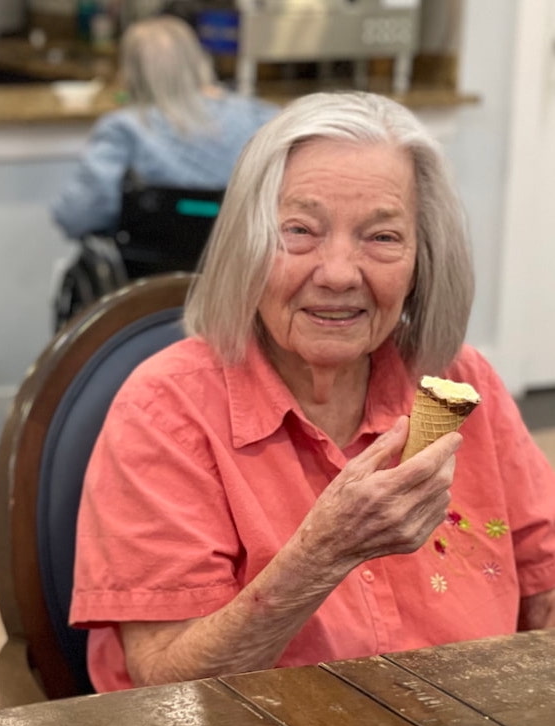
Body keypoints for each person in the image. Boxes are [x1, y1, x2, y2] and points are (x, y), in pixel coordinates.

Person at [70, 91, 555, 692]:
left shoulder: (458, 381)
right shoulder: (165, 410)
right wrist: (323, 554)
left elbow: (544, 581)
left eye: (381, 237)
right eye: (299, 231)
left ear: (422, 262)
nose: (338, 273)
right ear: (247, 246)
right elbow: (165, 683)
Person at [50, 15, 278, 240]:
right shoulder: (260, 117)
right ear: (198, 59)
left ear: (131, 73)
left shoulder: (124, 130)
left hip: (150, 273)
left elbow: (76, 216)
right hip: (240, 270)